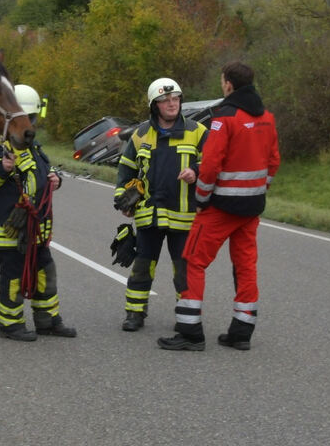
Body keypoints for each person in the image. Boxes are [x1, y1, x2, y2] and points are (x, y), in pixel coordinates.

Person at [159, 61, 280, 352]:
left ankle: (190, 332)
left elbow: (211, 165)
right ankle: (241, 331)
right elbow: (273, 161)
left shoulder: (223, 118)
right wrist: (260, 190)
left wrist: (201, 197)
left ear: (228, 84)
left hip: (221, 207)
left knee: (191, 261)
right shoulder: (267, 117)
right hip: (251, 209)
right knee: (245, 265)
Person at [0, 84, 76, 341]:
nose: (29, 124)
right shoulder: (0, 144)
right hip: (10, 229)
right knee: (13, 275)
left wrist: (55, 179)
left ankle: (47, 321)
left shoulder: (34, 146)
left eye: (32, 119)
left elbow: (43, 174)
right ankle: (10, 325)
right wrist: (2, 167)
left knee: (45, 271)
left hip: (36, 229)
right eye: (26, 118)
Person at [114, 77, 207, 332]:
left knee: (184, 271)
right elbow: (126, 171)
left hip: (184, 217)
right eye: (165, 100)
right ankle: (134, 314)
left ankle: (187, 319)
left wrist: (196, 171)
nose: (171, 104)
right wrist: (122, 199)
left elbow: (214, 163)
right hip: (149, 216)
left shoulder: (198, 132)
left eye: (175, 98)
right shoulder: (141, 134)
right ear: (154, 105)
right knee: (142, 267)